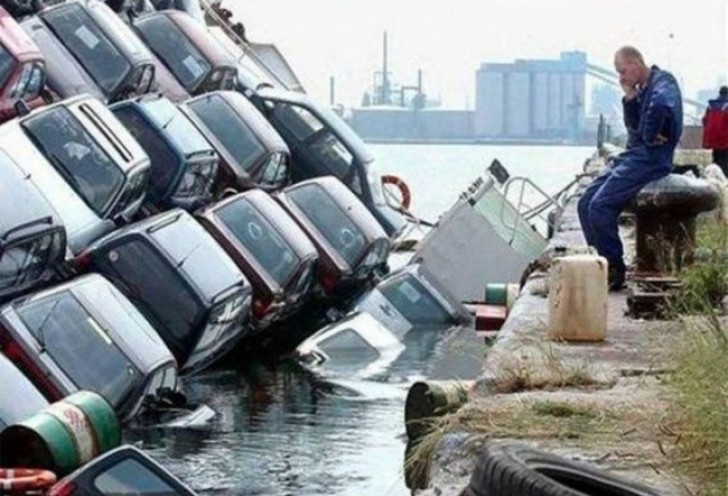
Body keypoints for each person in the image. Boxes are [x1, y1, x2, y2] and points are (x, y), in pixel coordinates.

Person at [578, 46, 683, 291]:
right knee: (585, 203)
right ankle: (601, 263)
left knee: (600, 206)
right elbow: (634, 128)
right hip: (633, 156)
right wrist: (630, 99)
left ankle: (614, 270)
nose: (621, 78)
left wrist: (650, 135)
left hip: (652, 159)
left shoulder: (663, 83)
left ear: (637, 63)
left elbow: (660, 106)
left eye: (623, 71)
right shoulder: (642, 90)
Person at [702, 86, 728, 175]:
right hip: (725, 138)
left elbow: (705, 120)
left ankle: (714, 177)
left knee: (716, 158)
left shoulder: (711, 105)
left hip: (712, 138)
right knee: (725, 160)